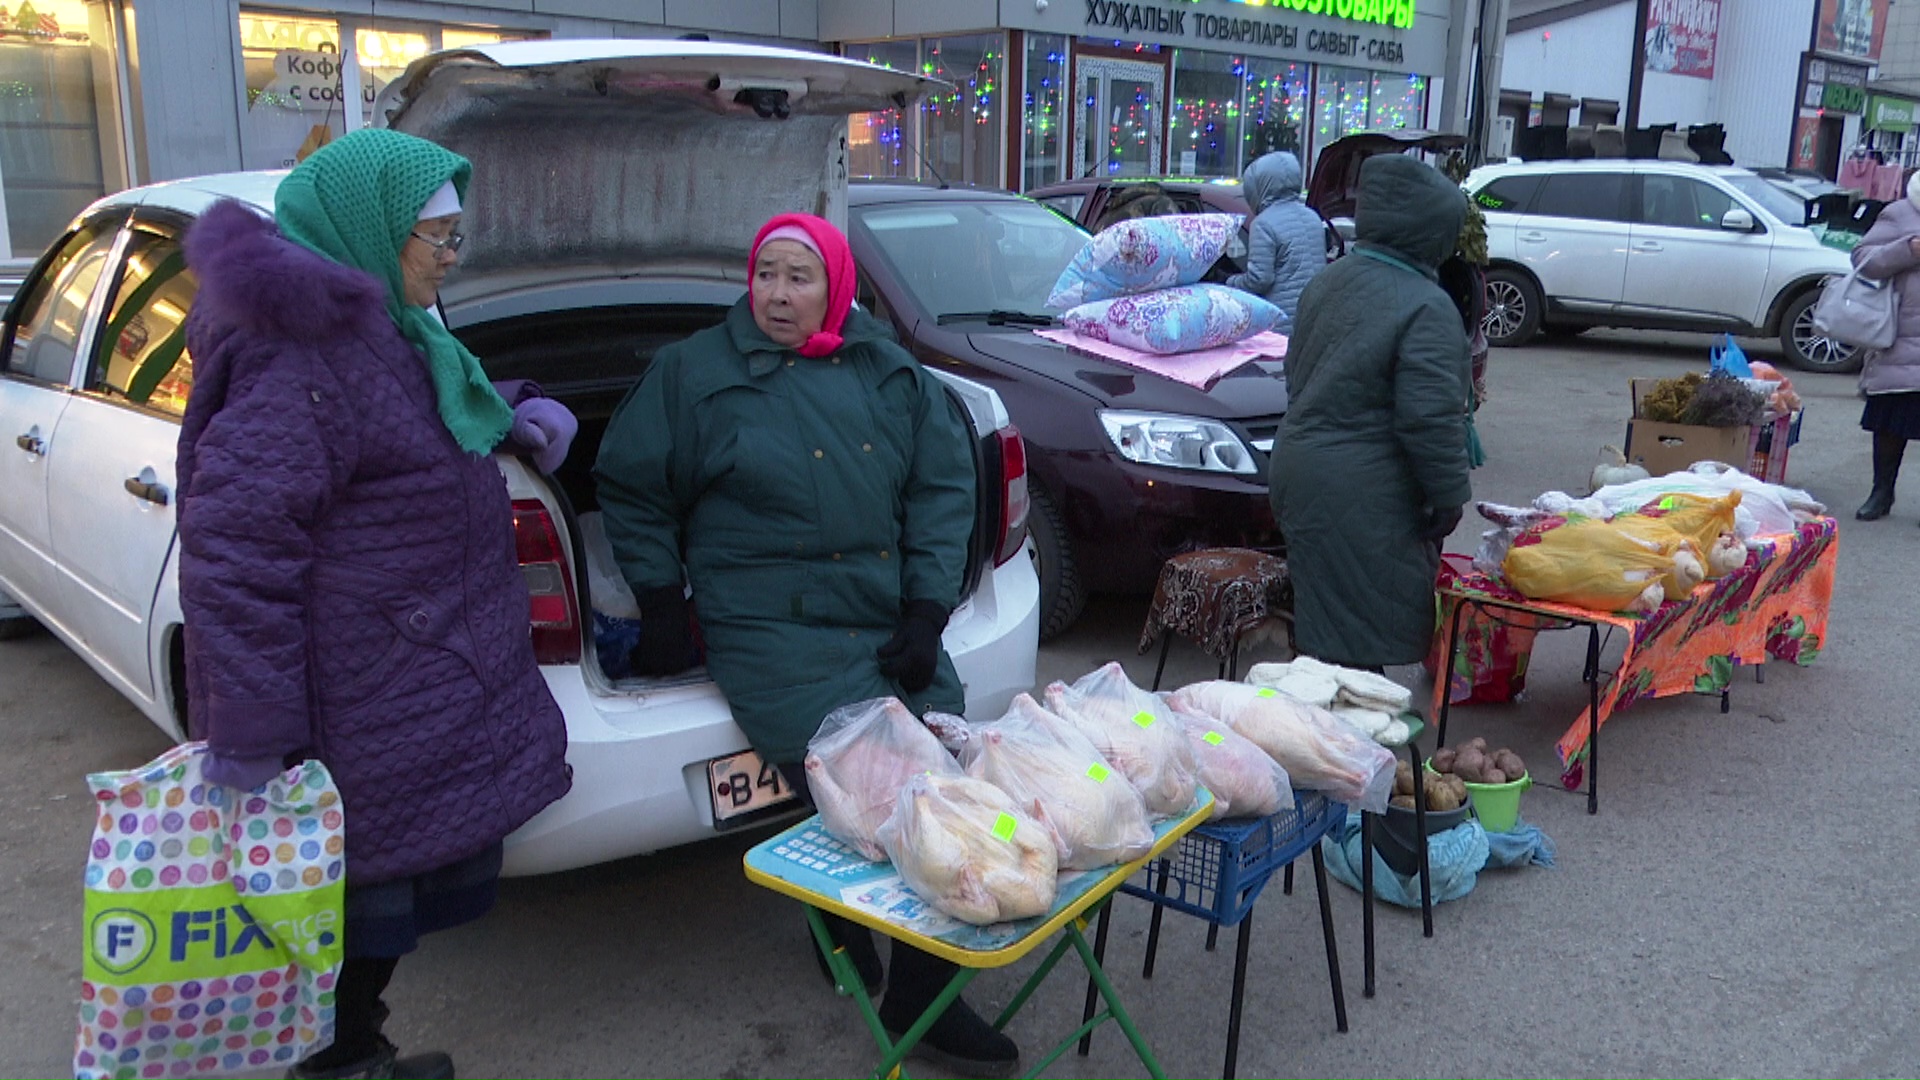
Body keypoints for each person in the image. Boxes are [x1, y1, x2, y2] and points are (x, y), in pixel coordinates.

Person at [177, 128, 576, 1080]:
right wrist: (257, 726)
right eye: (434, 238)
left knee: (370, 909)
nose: (448, 259)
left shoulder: (383, 319)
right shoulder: (298, 349)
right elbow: (236, 547)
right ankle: (339, 1062)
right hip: (352, 692)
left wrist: (503, 410)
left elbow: (410, 408)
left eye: (453, 238)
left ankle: (357, 1048)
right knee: (344, 910)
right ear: (371, 228)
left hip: (406, 677)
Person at [593, 214, 1016, 1075]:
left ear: (837, 285)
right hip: (768, 622)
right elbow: (630, 486)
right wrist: (659, 596)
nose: (778, 295)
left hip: (881, 612)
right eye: (766, 276)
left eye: (799, 278)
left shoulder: (888, 370)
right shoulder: (692, 373)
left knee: (951, 765)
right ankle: (920, 999)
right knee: (885, 794)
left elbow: (941, 490)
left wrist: (928, 609)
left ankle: (864, 941)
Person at [1267, 154, 1473, 671]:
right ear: (1433, 231)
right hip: (1365, 493)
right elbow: (1429, 419)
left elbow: (1296, 374)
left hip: (1300, 471)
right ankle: (1355, 749)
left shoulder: (1328, 283)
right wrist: (1449, 497)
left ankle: (1322, 740)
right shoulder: (1426, 305)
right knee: (1357, 649)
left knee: (1327, 633)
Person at [1847, 170, 1920, 521]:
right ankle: (1881, 492)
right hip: (1902, 339)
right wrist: (1909, 249)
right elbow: (1863, 258)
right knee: (1891, 421)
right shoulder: (1902, 212)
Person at [1225, 151, 1328, 325]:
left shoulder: (1263, 224)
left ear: (1258, 187)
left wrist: (1229, 282)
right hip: (1314, 319)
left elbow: (1260, 280)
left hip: (1281, 322)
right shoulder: (1313, 217)